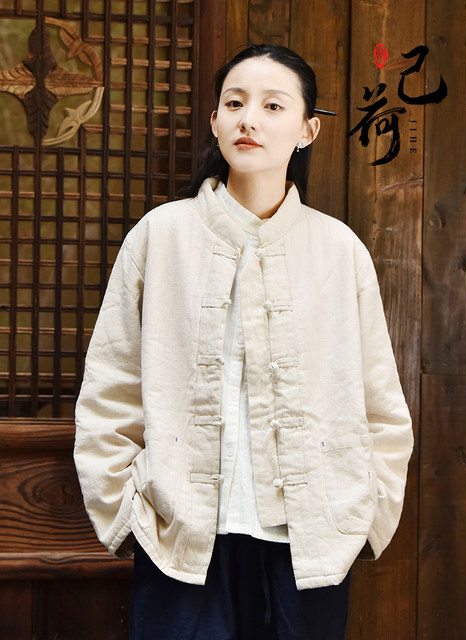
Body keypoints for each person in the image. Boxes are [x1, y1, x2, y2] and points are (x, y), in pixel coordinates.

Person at [74, 44, 414, 640]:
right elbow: (111, 385)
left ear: (307, 130)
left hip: (312, 541)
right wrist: (124, 512)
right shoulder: (160, 236)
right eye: (234, 103)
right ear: (214, 121)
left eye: (272, 105)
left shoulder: (340, 250)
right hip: (178, 538)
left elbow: (379, 403)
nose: (248, 119)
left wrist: (369, 515)